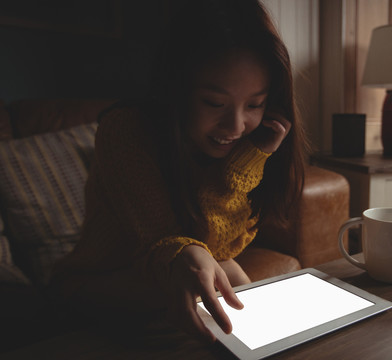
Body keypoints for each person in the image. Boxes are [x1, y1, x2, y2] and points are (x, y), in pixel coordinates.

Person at [49, 0, 307, 342]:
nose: (236, 125)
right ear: (177, 89)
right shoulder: (126, 130)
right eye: (214, 103)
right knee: (217, 284)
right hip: (98, 279)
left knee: (240, 292)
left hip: (176, 269)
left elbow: (220, 249)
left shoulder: (245, 145)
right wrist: (200, 257)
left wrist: (248, 161)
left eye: (255, 105)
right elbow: (164, 243)